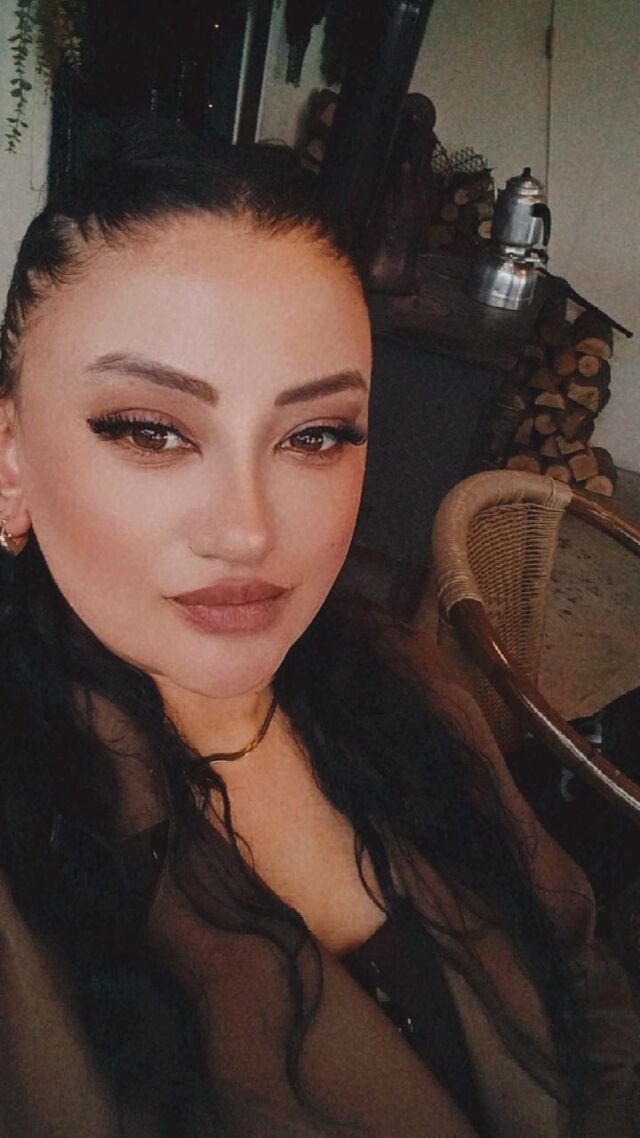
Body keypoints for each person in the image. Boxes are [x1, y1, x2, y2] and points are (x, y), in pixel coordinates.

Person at [0, 120, 638, 1138]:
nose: (248, 530)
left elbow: (578, 977)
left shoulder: (407, 683)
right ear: (11, 462)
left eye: (314, 434)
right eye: (153, 430)